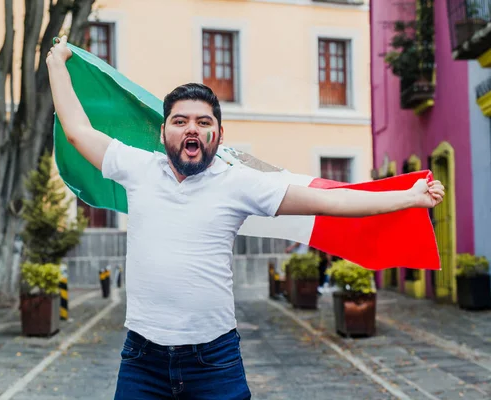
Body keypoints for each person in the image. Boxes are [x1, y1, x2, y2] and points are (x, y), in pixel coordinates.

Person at [46, 36, 445, 400]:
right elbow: (78, 130)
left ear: (218, 135)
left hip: (214, 362)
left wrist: (408, 197)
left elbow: (330, 203)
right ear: (163, 131)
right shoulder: (137, 167)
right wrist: (57, 63)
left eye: (204, 123)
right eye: (181, 120)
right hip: (141, 359)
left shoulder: (238, 182)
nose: (193, 129)